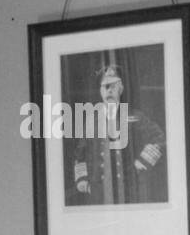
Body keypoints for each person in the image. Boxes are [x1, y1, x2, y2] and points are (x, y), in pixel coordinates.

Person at [71, 61, 165, 205]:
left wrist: (141, 163)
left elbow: (159, 139)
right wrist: (82, 180)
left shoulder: (136, 117)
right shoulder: (91, 122)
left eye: (114, 86)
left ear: (121, 89)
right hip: (98, 194)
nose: (109, 90)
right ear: (100, 91)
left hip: (129, 191)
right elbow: (80, 154)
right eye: (105, 86)